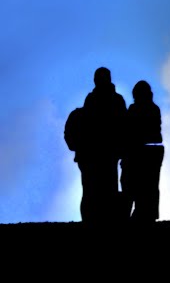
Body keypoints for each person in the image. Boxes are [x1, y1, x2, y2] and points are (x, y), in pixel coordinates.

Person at [66, 67, 127, 223]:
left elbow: (123, 127)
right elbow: (124, 127)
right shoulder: (115, 100)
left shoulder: (95, 101)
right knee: (99, 192)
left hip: (98, 156)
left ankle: (95, 222)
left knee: (93, 193)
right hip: (101, 155)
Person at [121, 80, 164, 222]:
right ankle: (145, 214)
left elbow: (128, 133)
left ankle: (142, 215)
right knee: (148, 186)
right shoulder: (153, 109)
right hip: (149, 152)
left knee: (136, 186)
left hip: (140, 152)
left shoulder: (135, 110)